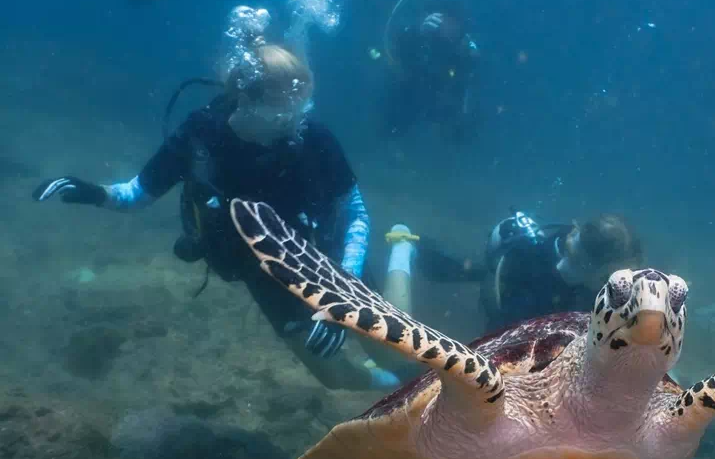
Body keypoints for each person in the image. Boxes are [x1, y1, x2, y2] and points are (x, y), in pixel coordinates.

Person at [32, 43, 409, 391]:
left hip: (330, 259)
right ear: (245, 98)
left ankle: (402, 251)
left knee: (398, 348)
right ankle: (398, 388)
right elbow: (137, 193)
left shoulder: (313, 136)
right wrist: (95, 194)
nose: (296, 119)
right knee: (333, 376)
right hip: (262, 270)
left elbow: (354, 211)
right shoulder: (201, 137)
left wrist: (343, 293)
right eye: (285, 110)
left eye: (302, 107)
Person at [420, 211, 644, 330]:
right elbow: (502, 336)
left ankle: (433, 260)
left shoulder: (585, 277)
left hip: (543, 282)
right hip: (512, 288)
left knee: (465, 272)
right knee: (464, 272)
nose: (622, 282)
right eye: (611, 275)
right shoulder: (540, 286)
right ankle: (414, 250)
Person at [382, 0, 480, 142]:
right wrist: (419, 36)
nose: (443, 18)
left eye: (451, 11)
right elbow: (398, 59)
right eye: (437, 9)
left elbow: (473, 82)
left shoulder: (465, 45)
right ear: (425, 12)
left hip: (447, 122)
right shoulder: (413, 35)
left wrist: (462, 48)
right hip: (408, 116)